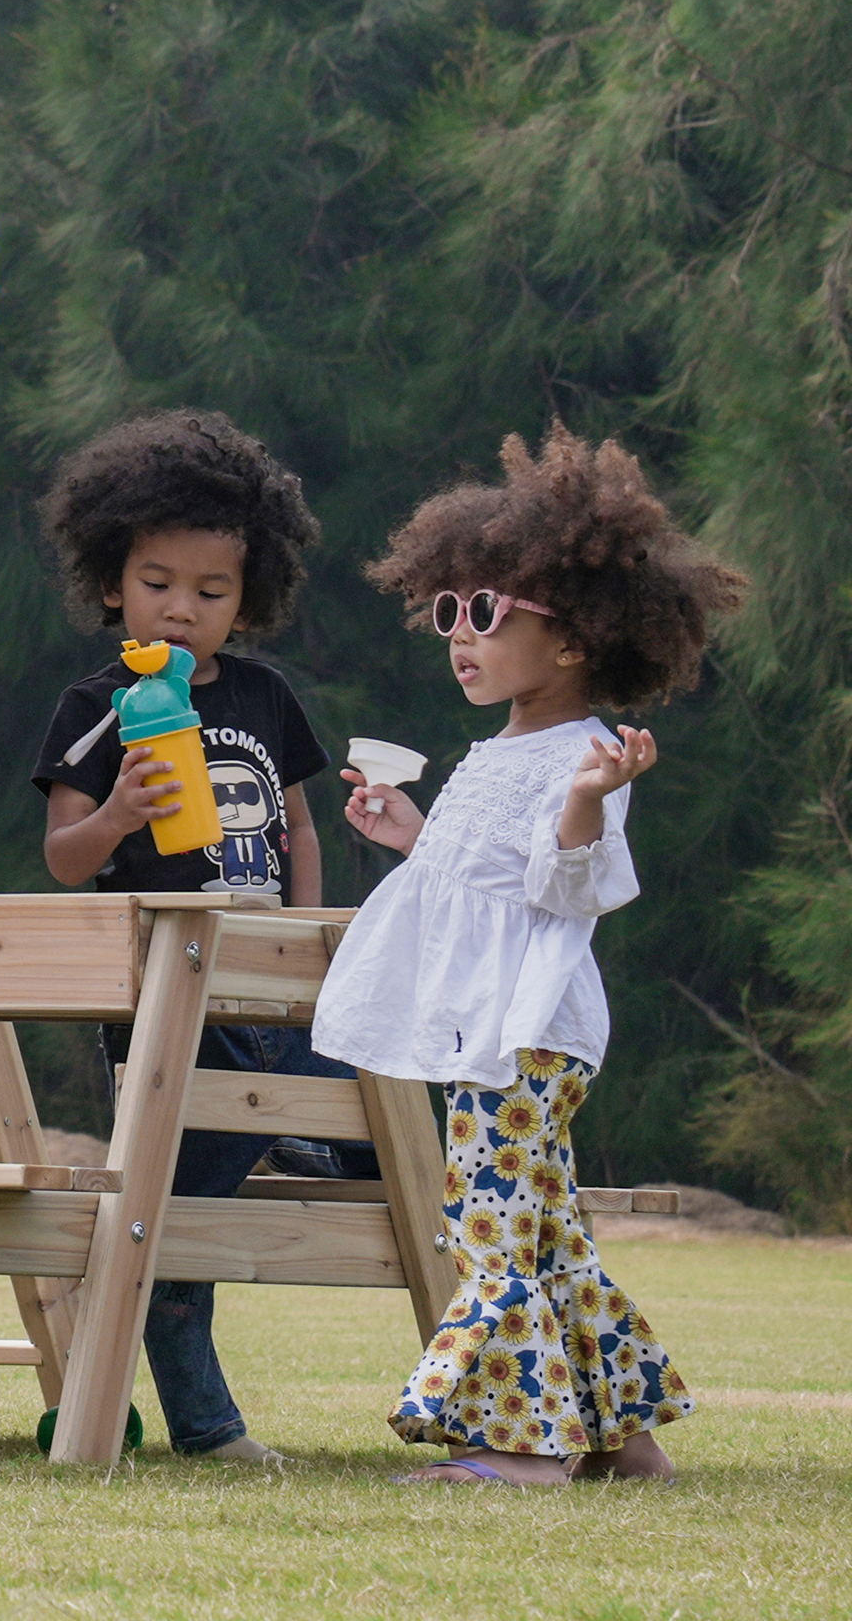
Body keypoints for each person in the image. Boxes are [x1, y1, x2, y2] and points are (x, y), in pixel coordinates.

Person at [326, 423, 738, 1487]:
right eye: (448, 613)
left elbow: (567, 892)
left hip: (521, 1037)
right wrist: (410, 835)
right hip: (491, 1030)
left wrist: (586, 809)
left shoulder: (581, 759)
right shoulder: (499, 749)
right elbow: (482, 885)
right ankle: (621, 1437)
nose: (457, 635)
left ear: (572, 642)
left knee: (490, 1228)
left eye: (484, 615)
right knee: (543, 1232)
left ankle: (517, 1450)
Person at [26, 407, 359, 1466]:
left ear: (246, 601)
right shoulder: (98, 703)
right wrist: (119, 814)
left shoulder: (263, 695)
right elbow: (63, 857)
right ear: (112, 583)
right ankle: (208, 1430)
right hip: (168, 1001)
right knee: (171, 1222)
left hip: (273, 987)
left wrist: (310, 943)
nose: (181, 610)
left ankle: (300, 1135)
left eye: (211, 593)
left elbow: (297, 826)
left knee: (379, 1136)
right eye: (158, 584)